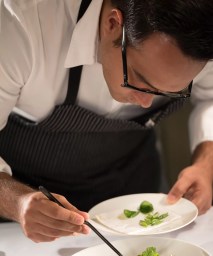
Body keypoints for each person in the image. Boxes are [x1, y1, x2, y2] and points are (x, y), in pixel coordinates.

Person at [0, 0, 213, 242]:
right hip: (23, 217)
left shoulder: (201, 34)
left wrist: (206, 163)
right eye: (139, 79)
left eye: (169, 91)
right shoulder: (21, 24)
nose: (146, 103)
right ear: (113, 24)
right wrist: (16, 201)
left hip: (134, 188)